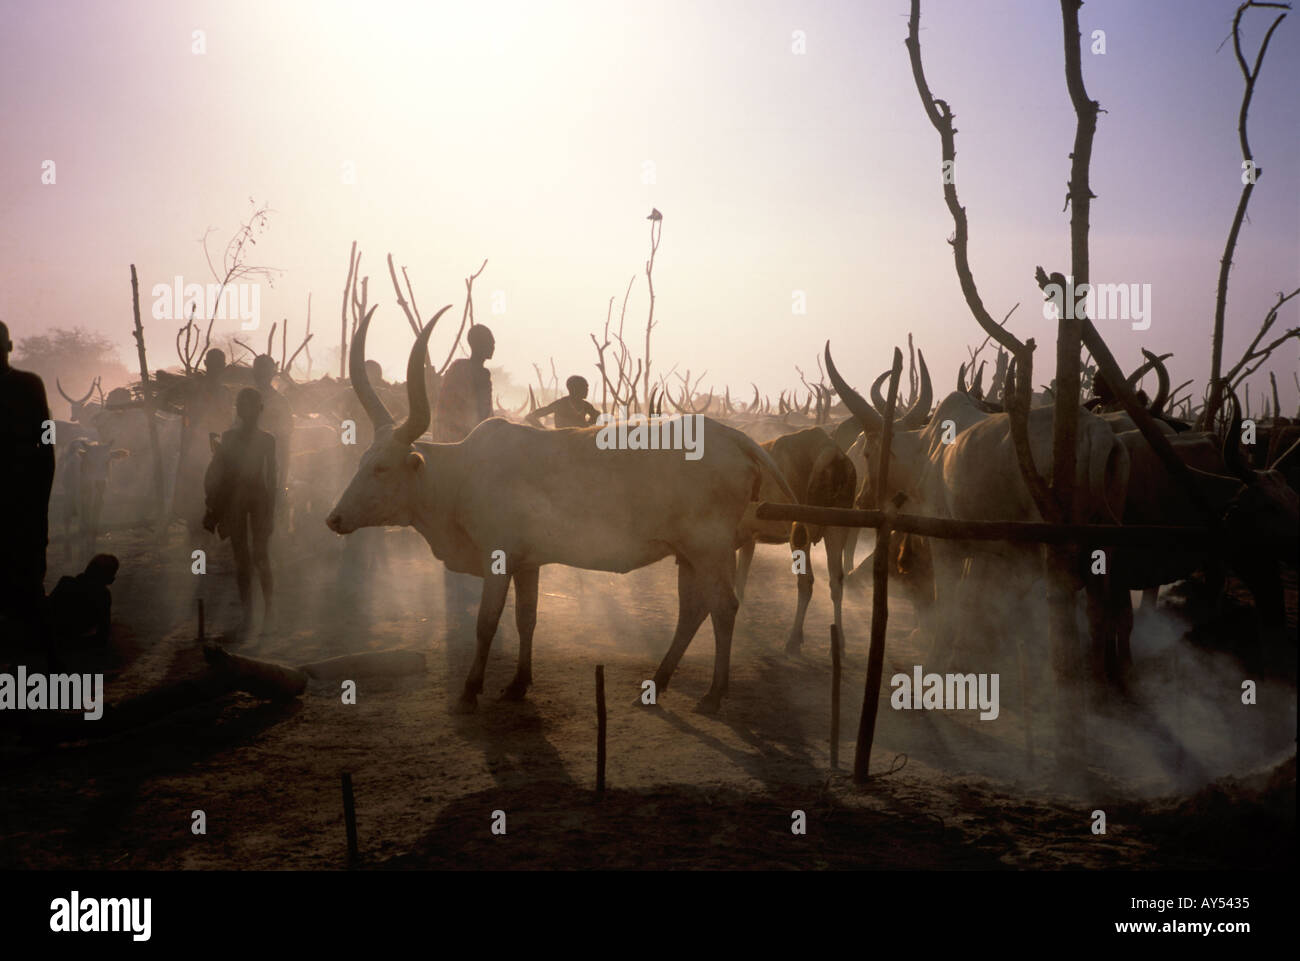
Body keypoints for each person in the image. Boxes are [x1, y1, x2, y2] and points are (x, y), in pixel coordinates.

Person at [204, 388, 277, 639]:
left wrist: (271, 513)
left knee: (260, 557)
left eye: (251, 406)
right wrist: (214, 508)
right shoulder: (230, 438)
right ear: (238, 409)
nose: (247, 411)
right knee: (243, 560)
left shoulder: (268, 440)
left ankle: (267, 616)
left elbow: (273, 479)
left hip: (257, 499)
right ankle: (249, 617)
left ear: (260, 409)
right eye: (242, 406)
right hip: (237, 499)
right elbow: (220, 474)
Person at [0, 321, 56, 637]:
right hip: (25, 497)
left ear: (9, 348)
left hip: (24, 498)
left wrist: (42, 497)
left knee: (29, 577)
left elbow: (47, 438)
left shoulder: (29, 385)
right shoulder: (28, 385)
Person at [174, 348, 234, 533]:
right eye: (213, 363)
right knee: (197, 492)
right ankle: (195, 534)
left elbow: (227, 421)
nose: (215, 367)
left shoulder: (225, 392)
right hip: (198, 447)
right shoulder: (195, 388)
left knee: (218, 491)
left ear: (223, 367)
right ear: (206, 364)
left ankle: (210, 533)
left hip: (217, 449)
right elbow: (188, 419)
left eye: (219, 364)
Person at [432, 325, 494, 442]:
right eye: (490, 342)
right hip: (466, 439)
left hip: (443, 435)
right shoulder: (482, 373)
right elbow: (483, 415)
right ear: (479, 344)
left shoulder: (456, 367)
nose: (493, 347)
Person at [46, 553, 119, 646]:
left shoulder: (65, 582)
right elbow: (103, 635)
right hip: (70, 641)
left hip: (47, 635)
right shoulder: (103, 595)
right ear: (109, 578)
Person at [252, 354, 293, 494]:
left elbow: (285, 445)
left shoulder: (281, 403)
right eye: (258, 371)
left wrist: (282, 482)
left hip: (268, 470)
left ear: (271, 374)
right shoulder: (245, 399)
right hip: (243, 471)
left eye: (264, 372)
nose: (260, 375)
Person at [527, 375, 600, 429]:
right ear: (573, 389)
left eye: (587, 388)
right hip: (562, 444)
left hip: (580, 444)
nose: (587, 390)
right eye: (584, 387)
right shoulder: (560, 404)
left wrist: (586, 427)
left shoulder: (586, 405)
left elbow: (597, 416)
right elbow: (530, 417)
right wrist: (546, 431)